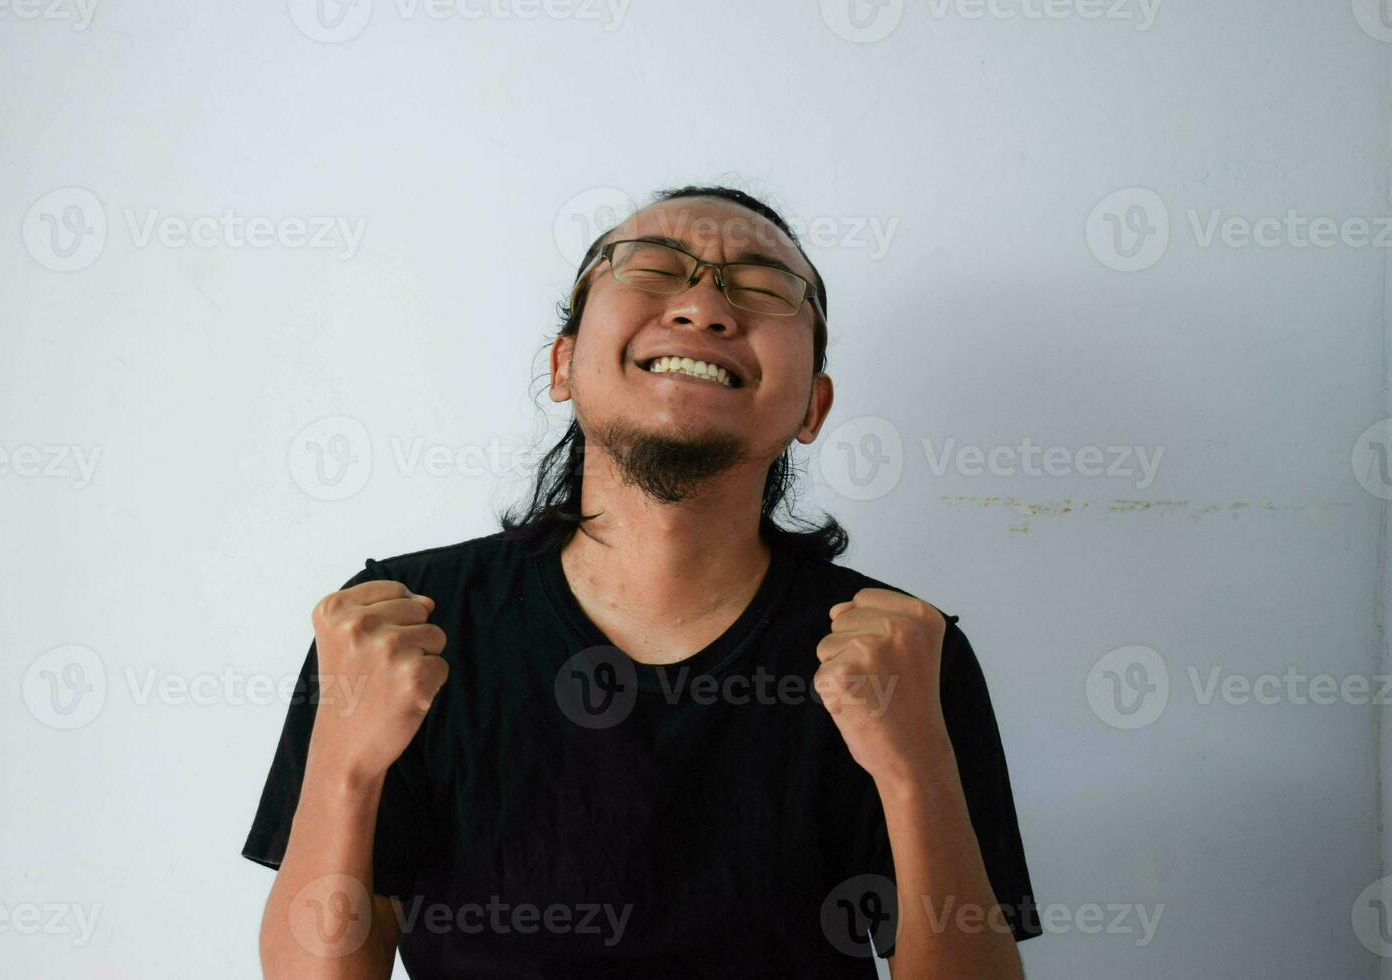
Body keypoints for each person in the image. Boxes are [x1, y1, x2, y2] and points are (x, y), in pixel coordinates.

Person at [241, 184, 1042, 978]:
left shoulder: (901, 650)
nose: (704, 308)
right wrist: (345, 765)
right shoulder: (403, 624)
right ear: (563, 364)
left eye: (765, 288)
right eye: (654, 270)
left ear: (812, 407)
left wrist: (917, 772)